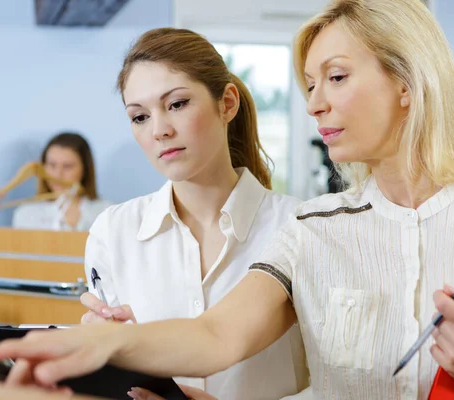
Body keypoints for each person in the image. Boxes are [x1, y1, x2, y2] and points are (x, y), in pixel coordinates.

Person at [0, 1, 454, 399]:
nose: (315, 104)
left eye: (335, 77)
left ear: (407, 80)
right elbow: (216, 335)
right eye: (309, 85)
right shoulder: (314, 227)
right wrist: (100, 342)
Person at [70, 28, 309, 399]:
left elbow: (333, 383)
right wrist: (109, 352)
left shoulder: (300, 227)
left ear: (227, 104)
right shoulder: (112, 232)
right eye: (139, 117)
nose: (160, 131)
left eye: (177, 104)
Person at [12, 132, 111, 231]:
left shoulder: (106, 213)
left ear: (85, 169)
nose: (57, 175)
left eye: (67, 166)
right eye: (52, 165)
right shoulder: (26, 214)